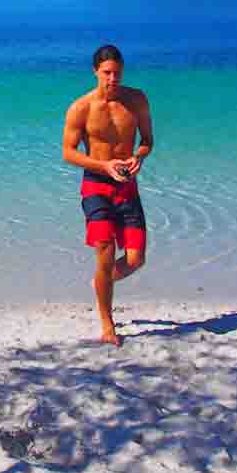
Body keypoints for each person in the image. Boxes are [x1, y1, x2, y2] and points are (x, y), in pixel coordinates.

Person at [62, 43, 154, 347]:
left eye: (117, 73)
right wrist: (103, 164)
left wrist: (139, 157)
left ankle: (101, 281)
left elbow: (148, 140)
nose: (112, 79)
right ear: (95, 72)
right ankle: (107, 324)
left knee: (136, 258)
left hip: (127, 185)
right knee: (104, 249)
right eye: (106, 73)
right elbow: (68, 153)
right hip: (96, 185)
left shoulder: (137, 100)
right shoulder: (82, 107)